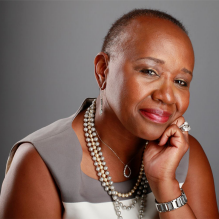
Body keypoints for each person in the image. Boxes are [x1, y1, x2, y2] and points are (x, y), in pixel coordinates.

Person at [0, 9, 218, 219]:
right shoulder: (41, 162)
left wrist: (165, 184)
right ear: (103, 69)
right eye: (149, 71)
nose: (167, 97)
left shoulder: (185, 156)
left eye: (180, 81)